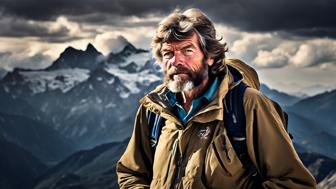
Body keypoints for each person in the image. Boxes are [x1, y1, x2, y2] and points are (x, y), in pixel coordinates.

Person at [116, 8, 316, 189]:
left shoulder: (247, 105)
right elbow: (131, 173)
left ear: (210, 56)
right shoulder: (154, 109)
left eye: (187, 50)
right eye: (168, 53)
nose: (176, 61)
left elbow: (294, 183)